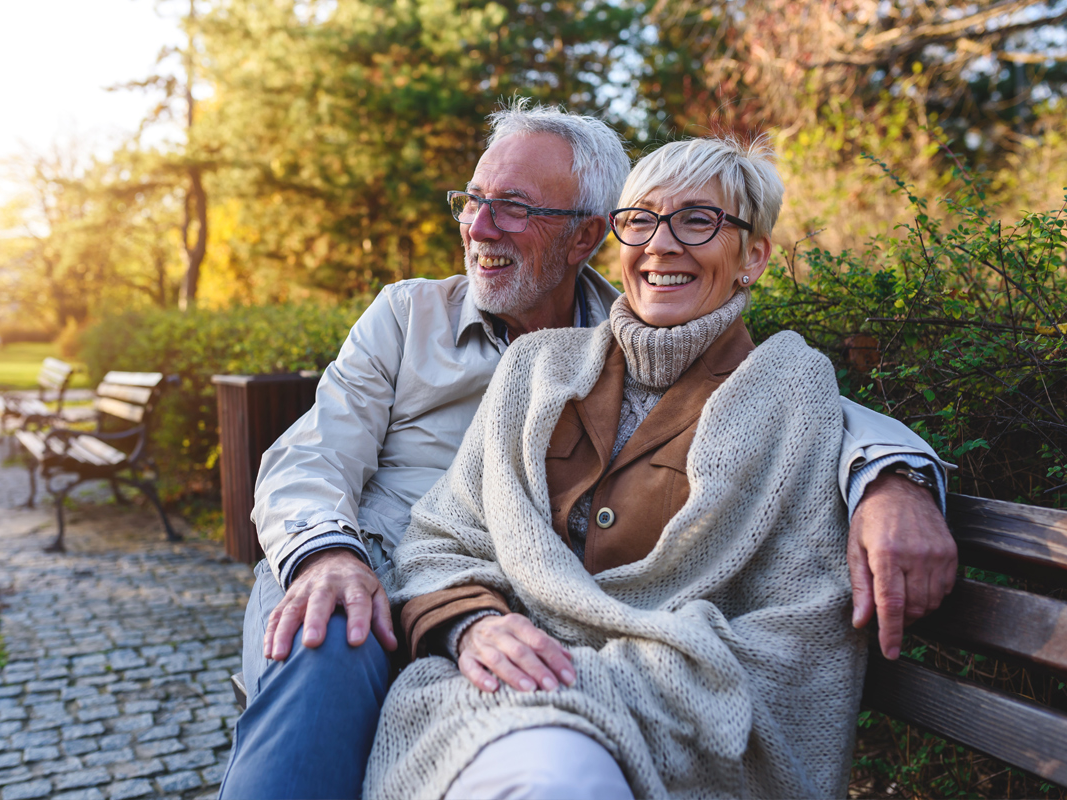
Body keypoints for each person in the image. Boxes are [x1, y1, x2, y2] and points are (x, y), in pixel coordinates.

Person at [219, 102, 956, 800]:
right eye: (472, 200)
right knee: (326, 636)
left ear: (584, 236)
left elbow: (794, 401)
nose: (479, 226)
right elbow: (311, 458)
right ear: (623, 232)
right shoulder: (418, 319)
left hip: (513, 632)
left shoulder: (655, 338)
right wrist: (329, 556)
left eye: (514, 206)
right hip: (371, 573)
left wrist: (895, 478)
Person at [367, 133, 871, 799]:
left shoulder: (792, 390)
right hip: (490, 698)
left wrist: (585, 681)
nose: (662, 244)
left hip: (675, 723)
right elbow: (443, 535)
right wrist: (474, 623)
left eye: (698, 220)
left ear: (753, 255)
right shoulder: (534, 367)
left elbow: (801, 629)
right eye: (640, 221)